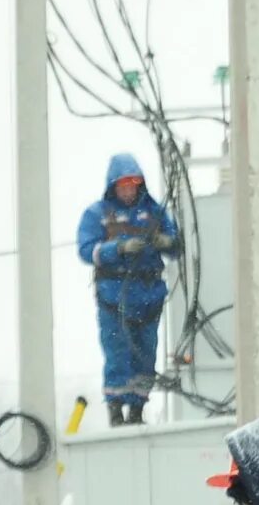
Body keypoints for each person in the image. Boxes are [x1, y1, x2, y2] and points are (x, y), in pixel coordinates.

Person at [75, 153, 180, 425]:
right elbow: (86, 250)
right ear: (113, 185)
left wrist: (163, 242)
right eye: (123, 184)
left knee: (146, 353)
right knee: (118, 352)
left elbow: (176, 244)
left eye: (133, 183)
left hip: (149, 297)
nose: (128, 189)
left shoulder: (154, 212)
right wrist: (118, 248)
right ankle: (116, 409)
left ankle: (137, 409)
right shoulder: (97, 215)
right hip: (115, 298)